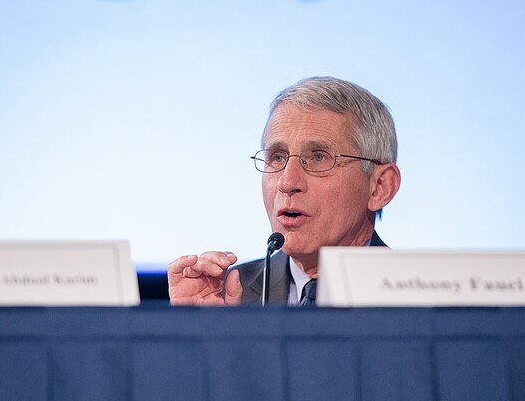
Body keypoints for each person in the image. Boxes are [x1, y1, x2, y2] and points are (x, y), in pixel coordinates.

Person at [168, 76, 401, 306]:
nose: (287, 182)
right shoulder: (227, 298)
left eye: (319, 158)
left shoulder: (417, 301)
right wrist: (198, 328)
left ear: (380, 187)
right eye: (277, 157)